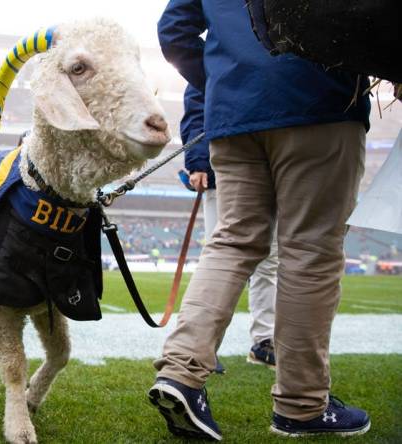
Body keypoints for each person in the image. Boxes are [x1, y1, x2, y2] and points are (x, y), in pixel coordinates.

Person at [150, 0, 371, 440]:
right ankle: (301, 405)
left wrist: (227, 80)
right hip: (318, 101)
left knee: (231, 242)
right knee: (309, 250)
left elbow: (173, 29)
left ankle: (180, 372)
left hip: (234, 113)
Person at [180, 85, 277, 372]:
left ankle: (264, 341)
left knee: (269, 259)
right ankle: (201, 345)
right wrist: (198, 161)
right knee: (222, 255)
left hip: (271, 161)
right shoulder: (221, 47)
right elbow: (198, 104)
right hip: (227, 164)